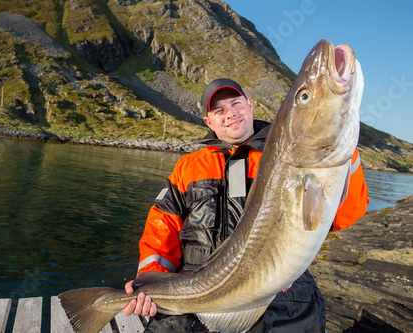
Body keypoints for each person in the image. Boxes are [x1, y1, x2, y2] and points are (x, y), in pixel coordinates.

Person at [123, 78, 369, 332]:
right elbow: (161, 229)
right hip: (192, 289)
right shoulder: (188, 167)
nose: (229, 114)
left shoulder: (287, 155)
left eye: (235, 104)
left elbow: (342, 217)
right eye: (219, 111)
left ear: (250, 105)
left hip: (279, 291)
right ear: (209, 122)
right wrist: (149, 280)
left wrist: (346, 158)